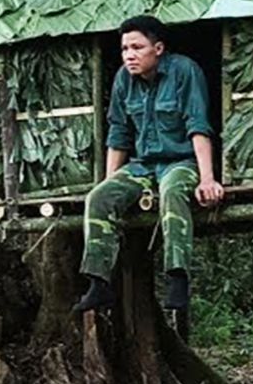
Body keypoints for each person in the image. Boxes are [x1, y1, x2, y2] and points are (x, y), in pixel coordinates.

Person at [71, 16, 224, 314]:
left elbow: (198, 126)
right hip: (143, 166)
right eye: (125, 48)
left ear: (159, 48)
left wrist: (207, 178)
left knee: (172, 191)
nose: (130, 54)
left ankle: (177, 278)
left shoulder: (184, 71)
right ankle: (99, 284)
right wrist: (109, 182)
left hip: (182, 161)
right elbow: (119, 134)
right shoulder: (123, 79)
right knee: (98, 198)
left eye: (137, 47)